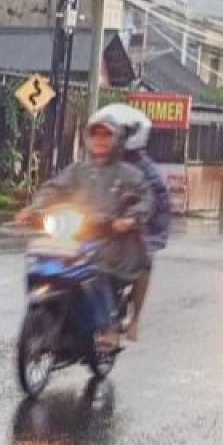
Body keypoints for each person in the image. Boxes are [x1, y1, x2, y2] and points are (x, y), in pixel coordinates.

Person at [18, 112, 153, 353]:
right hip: (76, 236)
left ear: (116, 140)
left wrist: (129, 219)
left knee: (98, 268)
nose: (100, 141)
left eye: (106, 136)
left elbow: (146, 199)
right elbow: (52, 189)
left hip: (113, 241)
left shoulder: (129, 174)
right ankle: (52, 313)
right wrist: (33, 209)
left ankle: (109, 325)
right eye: (95, 135)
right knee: (42, 254)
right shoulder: (77, 171)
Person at [104, 104, 171, 340]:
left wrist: (134, 220)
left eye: (116, 133)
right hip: (106, 224)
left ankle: (134, 319)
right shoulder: (99, 162)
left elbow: (153, 203)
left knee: (144, 261)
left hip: (144, 226)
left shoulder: (147, 171)